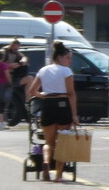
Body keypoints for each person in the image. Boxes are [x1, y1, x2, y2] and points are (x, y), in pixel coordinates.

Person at [26, 41, 79, 182]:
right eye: (68, 58)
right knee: (62, 142)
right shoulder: (66, 71)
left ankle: (45, 163)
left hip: (47, 104)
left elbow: (32, 91)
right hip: (62, 105)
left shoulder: (43, 70)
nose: (70, 61)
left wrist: (44, 95)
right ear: (60, 57)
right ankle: (59, 175)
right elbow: (71, 93)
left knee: (49, 142)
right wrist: (74, 114)